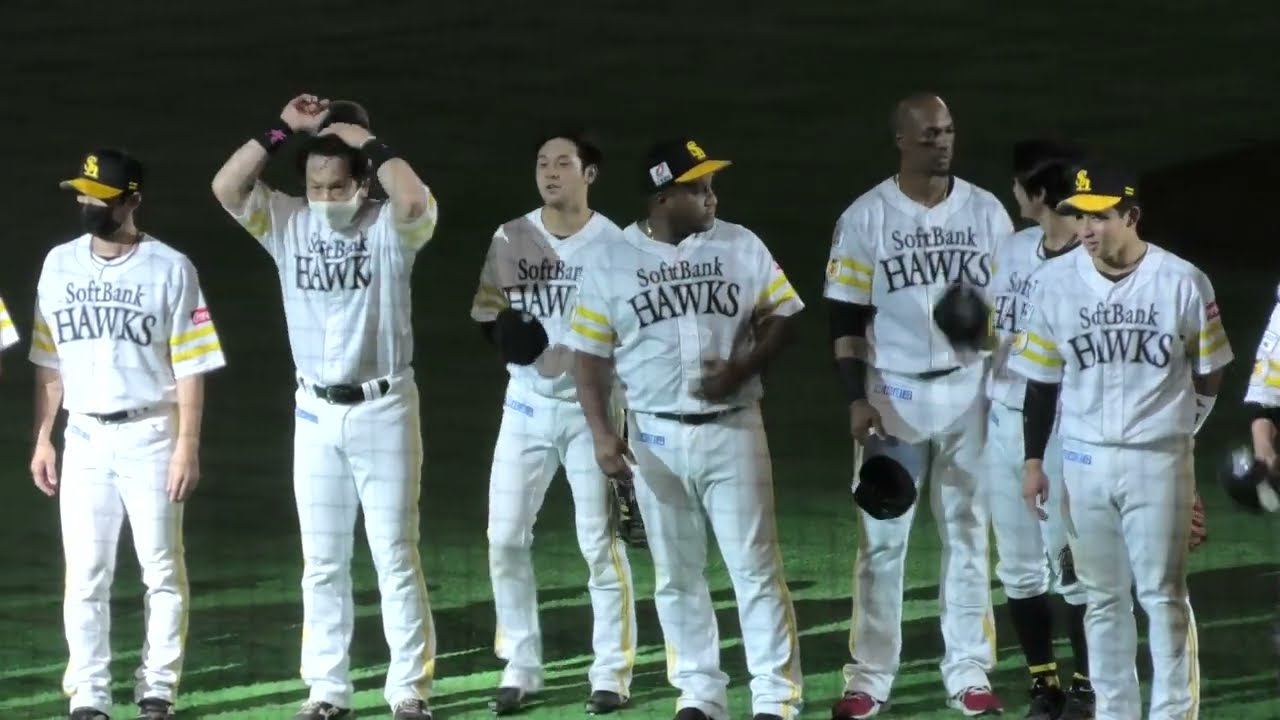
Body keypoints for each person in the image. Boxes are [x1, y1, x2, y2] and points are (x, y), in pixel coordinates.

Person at [210, 95, 440, 720]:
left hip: (384, 409)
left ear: (363, 181)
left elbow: (413, 199)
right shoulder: (287, 222)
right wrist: (282, 130)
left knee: (395, 553)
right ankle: (327, 689)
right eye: (315, 187)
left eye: (338, 187)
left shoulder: (391, 226)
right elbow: (226, 187)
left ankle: (408, 690)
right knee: (322, 561)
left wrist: (366, 142)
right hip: (313, 413)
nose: (325, 198)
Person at [565, 138, 804, 720]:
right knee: (675, 574)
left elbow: (784, 315)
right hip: (655, 439)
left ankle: (775, 697)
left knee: (755, 567)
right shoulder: (612, 261)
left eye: (710, 186)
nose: (712, 197)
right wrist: (601, 433)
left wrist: (742, 368)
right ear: (663, 198)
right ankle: (699, 693)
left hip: (735, 430)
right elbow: (589, 356)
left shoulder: (741, 244)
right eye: (698, 188)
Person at [1011, 160, 1231, 720]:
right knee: (1103, 599)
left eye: (1099, 217)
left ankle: (1173, 713)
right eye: (1079, 217)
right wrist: (1034, 461)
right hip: (1083, 462)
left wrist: (1186, 429)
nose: (1085, 229)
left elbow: (1211, 368)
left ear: (1131, 217)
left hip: (1159, 460)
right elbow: (1041, 381)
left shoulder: (1182, 281)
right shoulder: (1054, 284)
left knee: (1162, 596)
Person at [823, 93, 1012, 718]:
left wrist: (987, 343)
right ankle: (869, 677)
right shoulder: (866, 217)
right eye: (930, 133)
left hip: (970, 390)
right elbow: (844, 316)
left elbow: (1013, 307)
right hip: (893, 395)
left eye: (949, 131)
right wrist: (856, 398)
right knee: (881, 539)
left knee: (968, 529)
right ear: (901, 140)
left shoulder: (986, 211)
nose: (943, 142)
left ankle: (969, 670)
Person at [30, 148, 227, 720]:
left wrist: (187, 444)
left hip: (151, 434)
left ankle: (157, 688)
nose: (87, 203)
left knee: (161, 568)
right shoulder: (58, 264)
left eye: (100, 197)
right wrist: (43, 437)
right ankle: (89, 694)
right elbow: (49, 363)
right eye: (82, 193)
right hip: (84, 438)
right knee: (85, 573)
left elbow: (191, 364)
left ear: (132, 201)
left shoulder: (171, 268)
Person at [469, 129, 637, 715]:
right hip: (524, 408)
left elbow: (634, 331)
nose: (550, 172)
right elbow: (488, 311)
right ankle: (520, 664)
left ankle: (611, 673)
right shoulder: (511, 236)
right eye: (543, 162)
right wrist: (502, 335)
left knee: (599, 544)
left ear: (589, 174)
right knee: (504, 537)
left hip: (593, 412)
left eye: (563, 163)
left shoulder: (617, 245)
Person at [985, 139, 1094, 719]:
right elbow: (994, 329)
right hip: (1003, 421)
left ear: (1039, 194)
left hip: (1060, 429)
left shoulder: (1086, 262)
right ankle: (1043, 687)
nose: (1012, 193)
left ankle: (1087, 688)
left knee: (1073, 567)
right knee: (1018, 568)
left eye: (1018, 185)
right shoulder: (1013, 249)